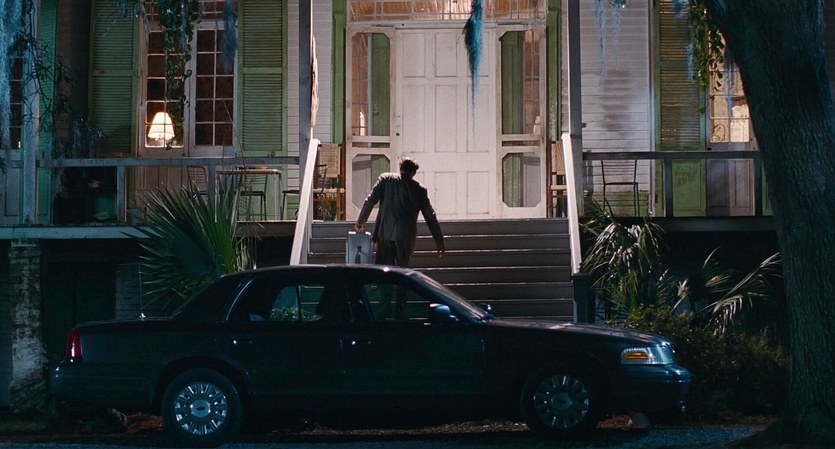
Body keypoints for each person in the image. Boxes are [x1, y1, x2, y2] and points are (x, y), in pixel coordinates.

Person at [355, 157, 445, 267]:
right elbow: (430, 216)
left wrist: (361, 221)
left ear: (400, 168)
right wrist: (439, 242)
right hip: (405, 239)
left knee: (383, 271)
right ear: (414, 172)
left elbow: (371, 200)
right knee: (401, 272)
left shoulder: (386, 179)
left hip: (385, 235)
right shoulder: (419, 190)